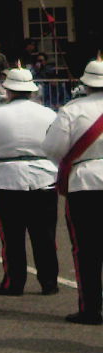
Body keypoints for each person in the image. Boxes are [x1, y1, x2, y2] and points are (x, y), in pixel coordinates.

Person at [0, 66, 59, 297]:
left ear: (7, 90)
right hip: (43, 175)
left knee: (11, 235)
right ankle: (49, 281)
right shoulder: (49, 113)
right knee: (45, 235)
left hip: (7, 178)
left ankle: (14, 282)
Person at [41, 56, 103, 324]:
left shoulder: (72, 109)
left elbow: (52, 149)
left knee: (87, 249)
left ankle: (91, 308)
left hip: (86, 182)